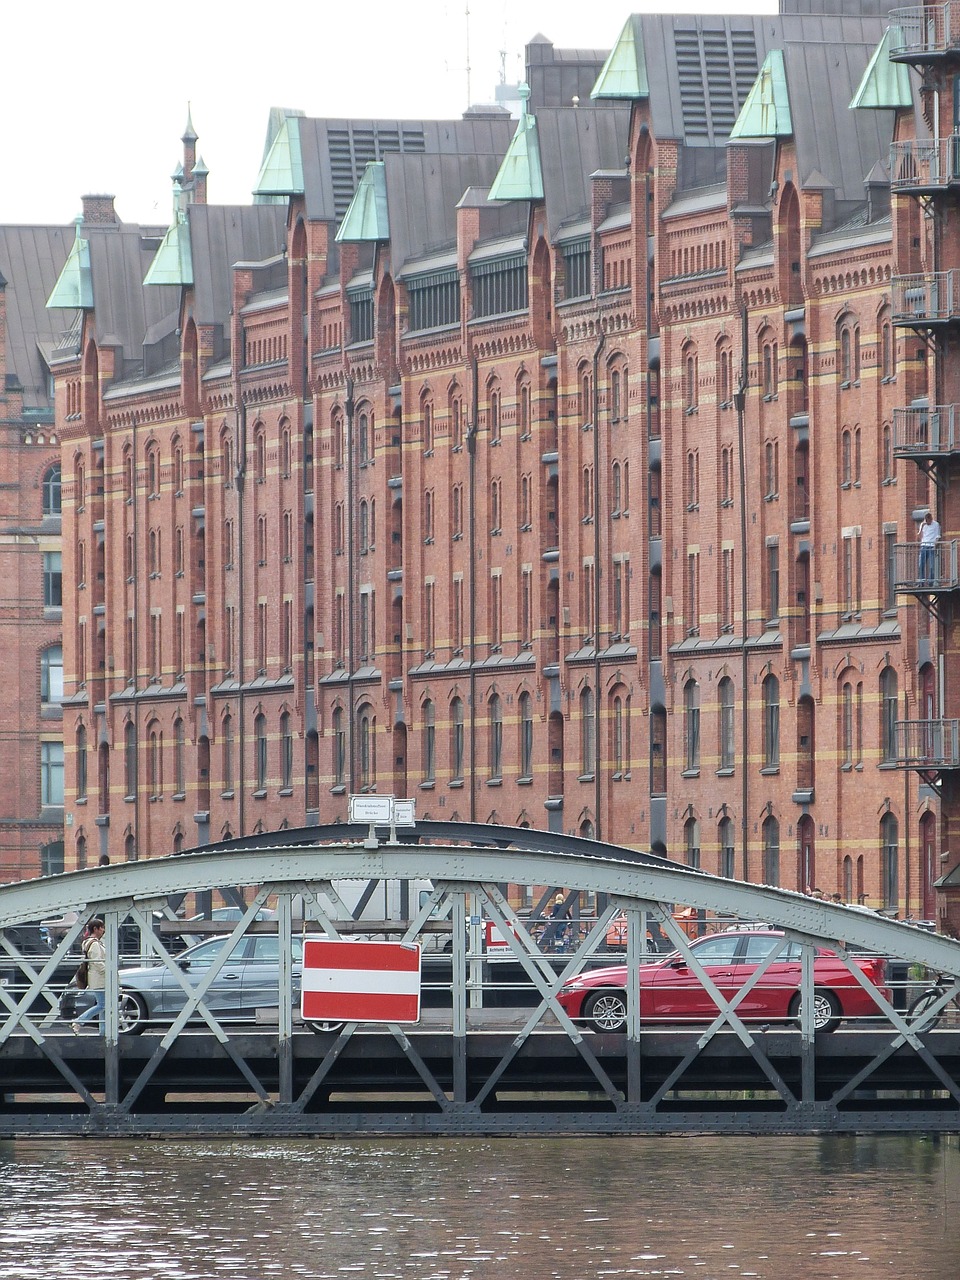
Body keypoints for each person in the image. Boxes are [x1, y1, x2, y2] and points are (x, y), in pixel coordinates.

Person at [72, 918, 106, 1035]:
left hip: (96, 978)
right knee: (103, 1005)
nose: (103, 930)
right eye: (101, 928)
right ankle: (79, 1021)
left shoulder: (87, 943)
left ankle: (103, 1032)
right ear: (95, 929)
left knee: (104, 1007)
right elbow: (97, 961)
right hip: (100, 978)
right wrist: (109, 971)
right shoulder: (95, 944)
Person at [918, 510, 941, 585]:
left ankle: (931, 582)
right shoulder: (923, 524)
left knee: (931, 566)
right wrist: (921, 528)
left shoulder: (936, 524)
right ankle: (921, 581)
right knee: (921, 564)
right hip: (923, 546)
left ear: (931, 519)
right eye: (927, 521)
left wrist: (935, 545)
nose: (928, 523)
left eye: (929, 521)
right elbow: (919, 536)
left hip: (931, 546)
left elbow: (937, 536)